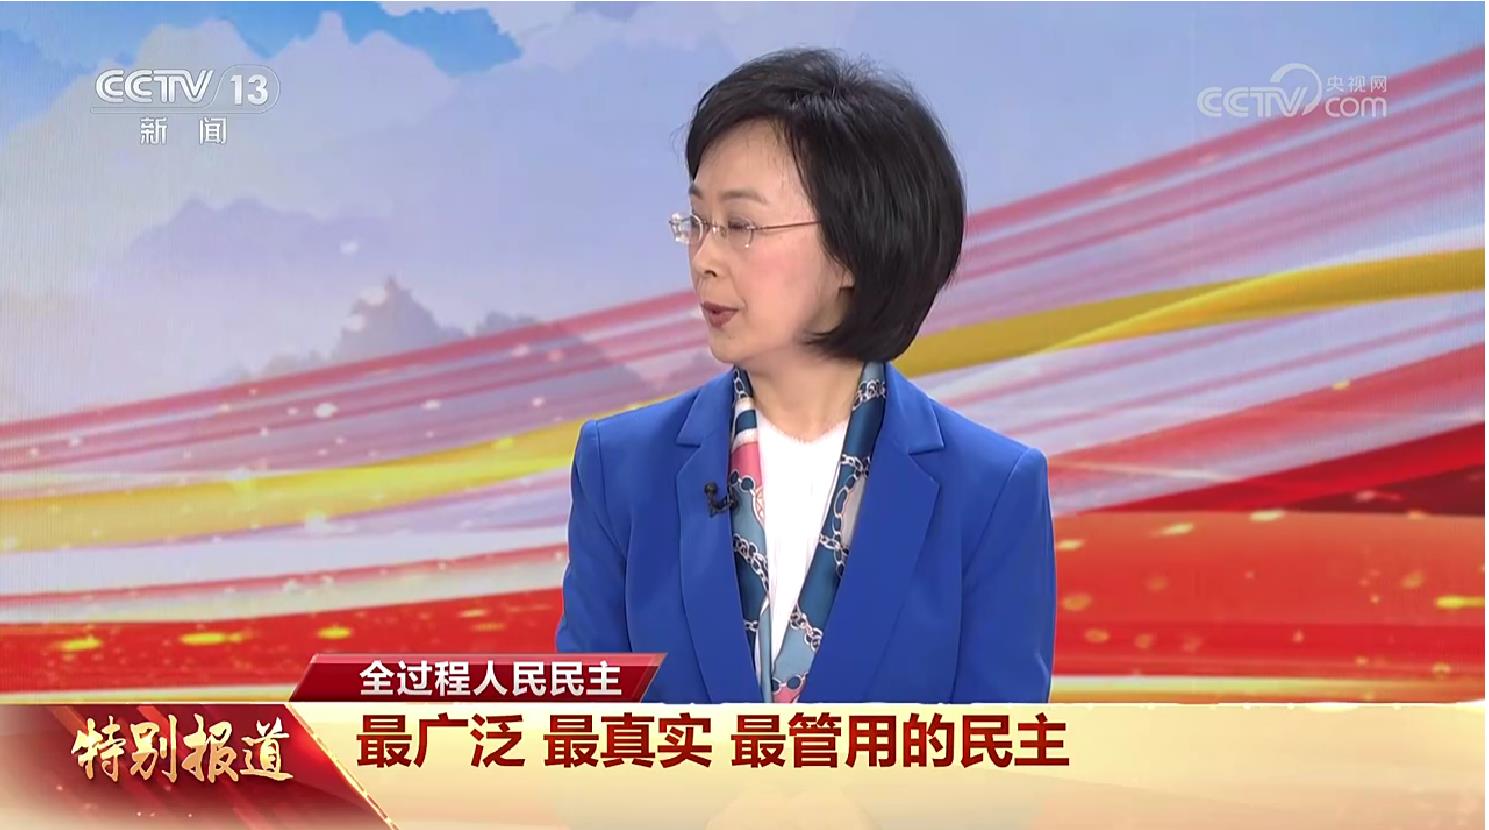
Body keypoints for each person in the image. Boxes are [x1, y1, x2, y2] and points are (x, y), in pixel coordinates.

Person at [556, 48, 1055, 703]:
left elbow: (1001, 751)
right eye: (697, 222)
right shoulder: (618, 470)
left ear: (852, 249)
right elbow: (584, 737)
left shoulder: (990, 492)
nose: (704, 258)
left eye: (741, 225)